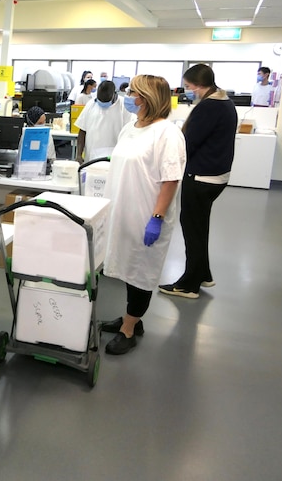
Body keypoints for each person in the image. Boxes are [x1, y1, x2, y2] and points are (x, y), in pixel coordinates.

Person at [100, 74, 186, 355]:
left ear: (148, 98)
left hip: (147, 213)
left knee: (141, 270)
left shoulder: (168, 133)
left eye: (133, 92)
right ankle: (131, 318)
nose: (128, 96)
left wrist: (157, 218)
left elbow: (170, 179)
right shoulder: (130, 128)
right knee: (126, 266)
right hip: (123, 209)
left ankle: (129, 330)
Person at [159, 64, 237, 299]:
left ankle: (189, 285)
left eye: (189, 86)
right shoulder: (224, 101)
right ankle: (203, 273)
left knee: (192, 228)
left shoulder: (209, 107)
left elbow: (189, 142)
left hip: (202, 176)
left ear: (199, 85)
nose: (188, 90)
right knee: (199, 227)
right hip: (216, 175)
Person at [74, 80, 134, 164]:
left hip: (114, 159)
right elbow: (82, 131)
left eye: (105, 101)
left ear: (114, 95)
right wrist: (79, 155)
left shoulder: (124, 106)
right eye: (100, 100)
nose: (102, 103)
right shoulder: (91, 104)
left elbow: (129, 134)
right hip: (91, 159)